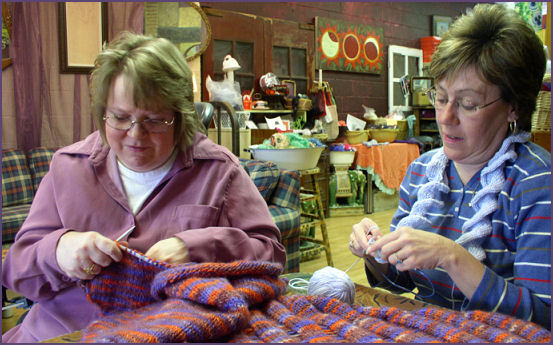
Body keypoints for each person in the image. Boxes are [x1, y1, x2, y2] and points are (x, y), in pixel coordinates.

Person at [2, 31, 286, 342]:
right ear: (102, 113)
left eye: (153, 120)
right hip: (63, 334)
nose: (135, 135)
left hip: (172, 333)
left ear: (178, 117)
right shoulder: (68, 168)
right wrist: (58, 250)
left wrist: (196, 248)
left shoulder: (219, 171)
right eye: (120, 118)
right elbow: (16, 272)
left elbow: (271, 256)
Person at [349, 4, 550, 329]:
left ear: (514, 107)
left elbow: (543, 320)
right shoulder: (421, 173)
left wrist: (452, 257)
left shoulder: (536, 184)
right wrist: (377, 254)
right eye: (440, 97)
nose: (445, 117)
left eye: (468, 104)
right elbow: (400, 287)